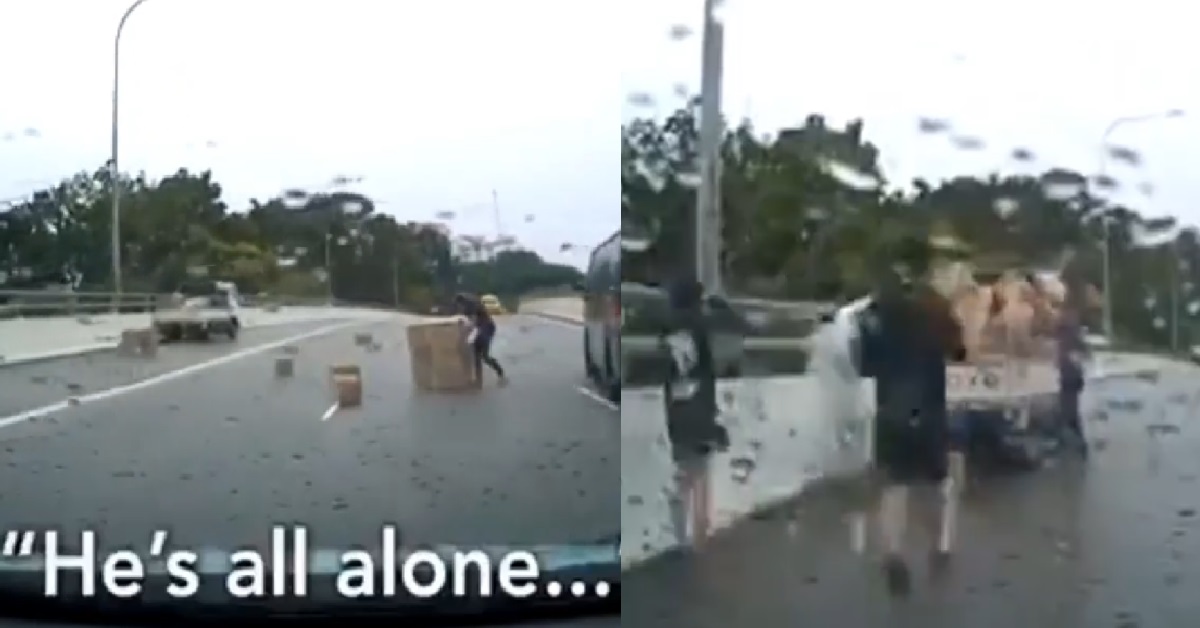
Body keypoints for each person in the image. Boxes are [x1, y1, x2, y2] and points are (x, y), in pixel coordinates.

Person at [860, 236, 966, 596]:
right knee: (936, 483)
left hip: (891, 407)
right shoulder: (935, 305)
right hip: (930, 407)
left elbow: (865, 364)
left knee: (894, 485)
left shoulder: (877, 308)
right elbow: (959, 351)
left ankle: (893, 552)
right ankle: (937, 547)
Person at [454, 293, 508, 387]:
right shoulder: (470, 306)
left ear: (462, 302)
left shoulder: (472, 307)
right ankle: (478, 380)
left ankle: (500, 372)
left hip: (485, 330)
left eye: (459, 305)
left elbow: (474, 323)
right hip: (481, 329)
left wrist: (469, 335)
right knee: (476, 357)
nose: (459, 307)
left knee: (484, 355)